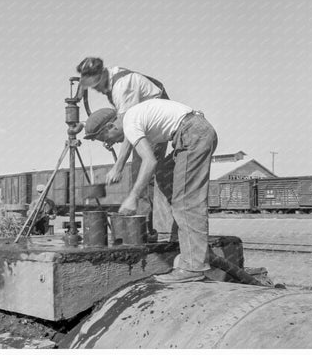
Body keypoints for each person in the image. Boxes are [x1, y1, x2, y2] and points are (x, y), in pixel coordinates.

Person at [83, 99, 218, 283]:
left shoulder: (130, 123)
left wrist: (133, 197)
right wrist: (118, 166)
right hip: (194, 131)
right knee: (164, 174)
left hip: (192, 135)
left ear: (110, 126)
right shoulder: (130, 117)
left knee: (185, 202)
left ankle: (193, 267)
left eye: (107, 140)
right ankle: (185, 234)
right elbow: (135, 152)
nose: (111, 143)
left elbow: (149, 161)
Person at [77, 57, 169, 234]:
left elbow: (130, 126)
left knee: (143, 173)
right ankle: (145, 228)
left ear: (102, 75)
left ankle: (145, 232)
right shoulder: (112, 78)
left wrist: (117, 167)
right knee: (139, 173)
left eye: (96, 85)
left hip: (155, 122)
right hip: (146, 120)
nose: (96, 90)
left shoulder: (122, 86)